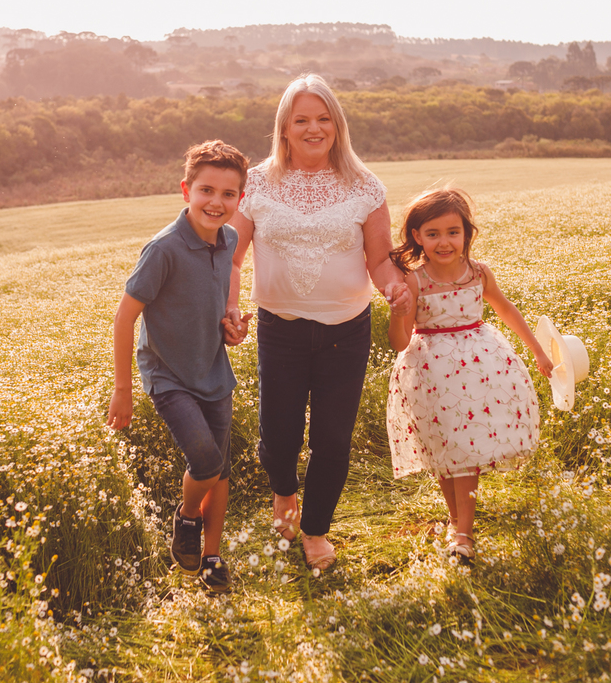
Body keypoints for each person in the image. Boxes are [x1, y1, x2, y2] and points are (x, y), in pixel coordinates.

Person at [224, 74, 412, 571]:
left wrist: (393, 286)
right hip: (279, 329)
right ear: (284, 127)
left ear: (338, 125)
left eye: (323, 118)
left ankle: (315, 530)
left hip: (345, 333)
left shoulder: (365, 186)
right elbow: (233, 256)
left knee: (332, 438)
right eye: (302, 119)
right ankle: (284, 491)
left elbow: (379, 260)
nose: (314, 128)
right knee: (279, 436)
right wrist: (229, 307)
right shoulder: (257, 182)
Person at [108, 140, 253, 593]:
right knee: (206, 460)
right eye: (207, 190)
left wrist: (231, 318)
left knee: (221, 470)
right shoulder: (164, 248)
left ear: (239, 200)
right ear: (186, 189)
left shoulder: (228, 237)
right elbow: (124, 316)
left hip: (214, 370)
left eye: (228, 195)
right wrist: (124, 389)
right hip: (168, 375)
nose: (217, 202)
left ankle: (211, 557)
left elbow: (230, 272)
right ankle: (186, 515)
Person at [385, 187, 552, 566]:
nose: (444, 242)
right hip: (431, 373)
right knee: (445, 451)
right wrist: (398, 312)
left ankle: (463, 535)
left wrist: (539, 352)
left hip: (479, 370)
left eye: (452, 232)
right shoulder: (415, 280)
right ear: (417, 237)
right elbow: (398, 342)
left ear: (466, 234)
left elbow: (507, 311)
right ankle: (456, 521)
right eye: (433, 234)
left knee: (467, 453)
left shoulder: (478, 273)